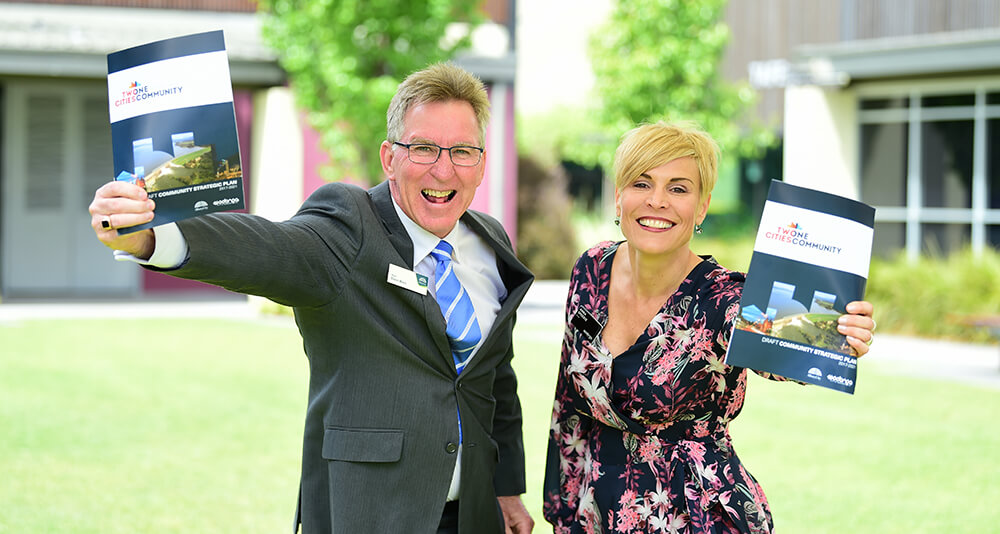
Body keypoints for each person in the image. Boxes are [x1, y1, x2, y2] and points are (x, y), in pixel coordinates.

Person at [90, 63, 535, 534]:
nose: (443, 169)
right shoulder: (350, 227)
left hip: (474, 517)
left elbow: (494, 379)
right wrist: (150, 237)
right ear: (389, 158)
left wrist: (506, 489)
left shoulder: (490, 241)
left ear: (481, 163)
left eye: (462, 151)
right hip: (370, 516)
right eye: (423, 148)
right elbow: (266, 249)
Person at [542, 121, 876, 533]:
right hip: (598, 512)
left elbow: (796, 343)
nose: (657, 201)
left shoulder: (725, 300)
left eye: (678, 189)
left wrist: (840, 334)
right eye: (642, 183)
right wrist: (562, 512)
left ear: (701, 208)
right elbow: (568, 404)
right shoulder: (592, 269)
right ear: (618, 197)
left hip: (696, 516)